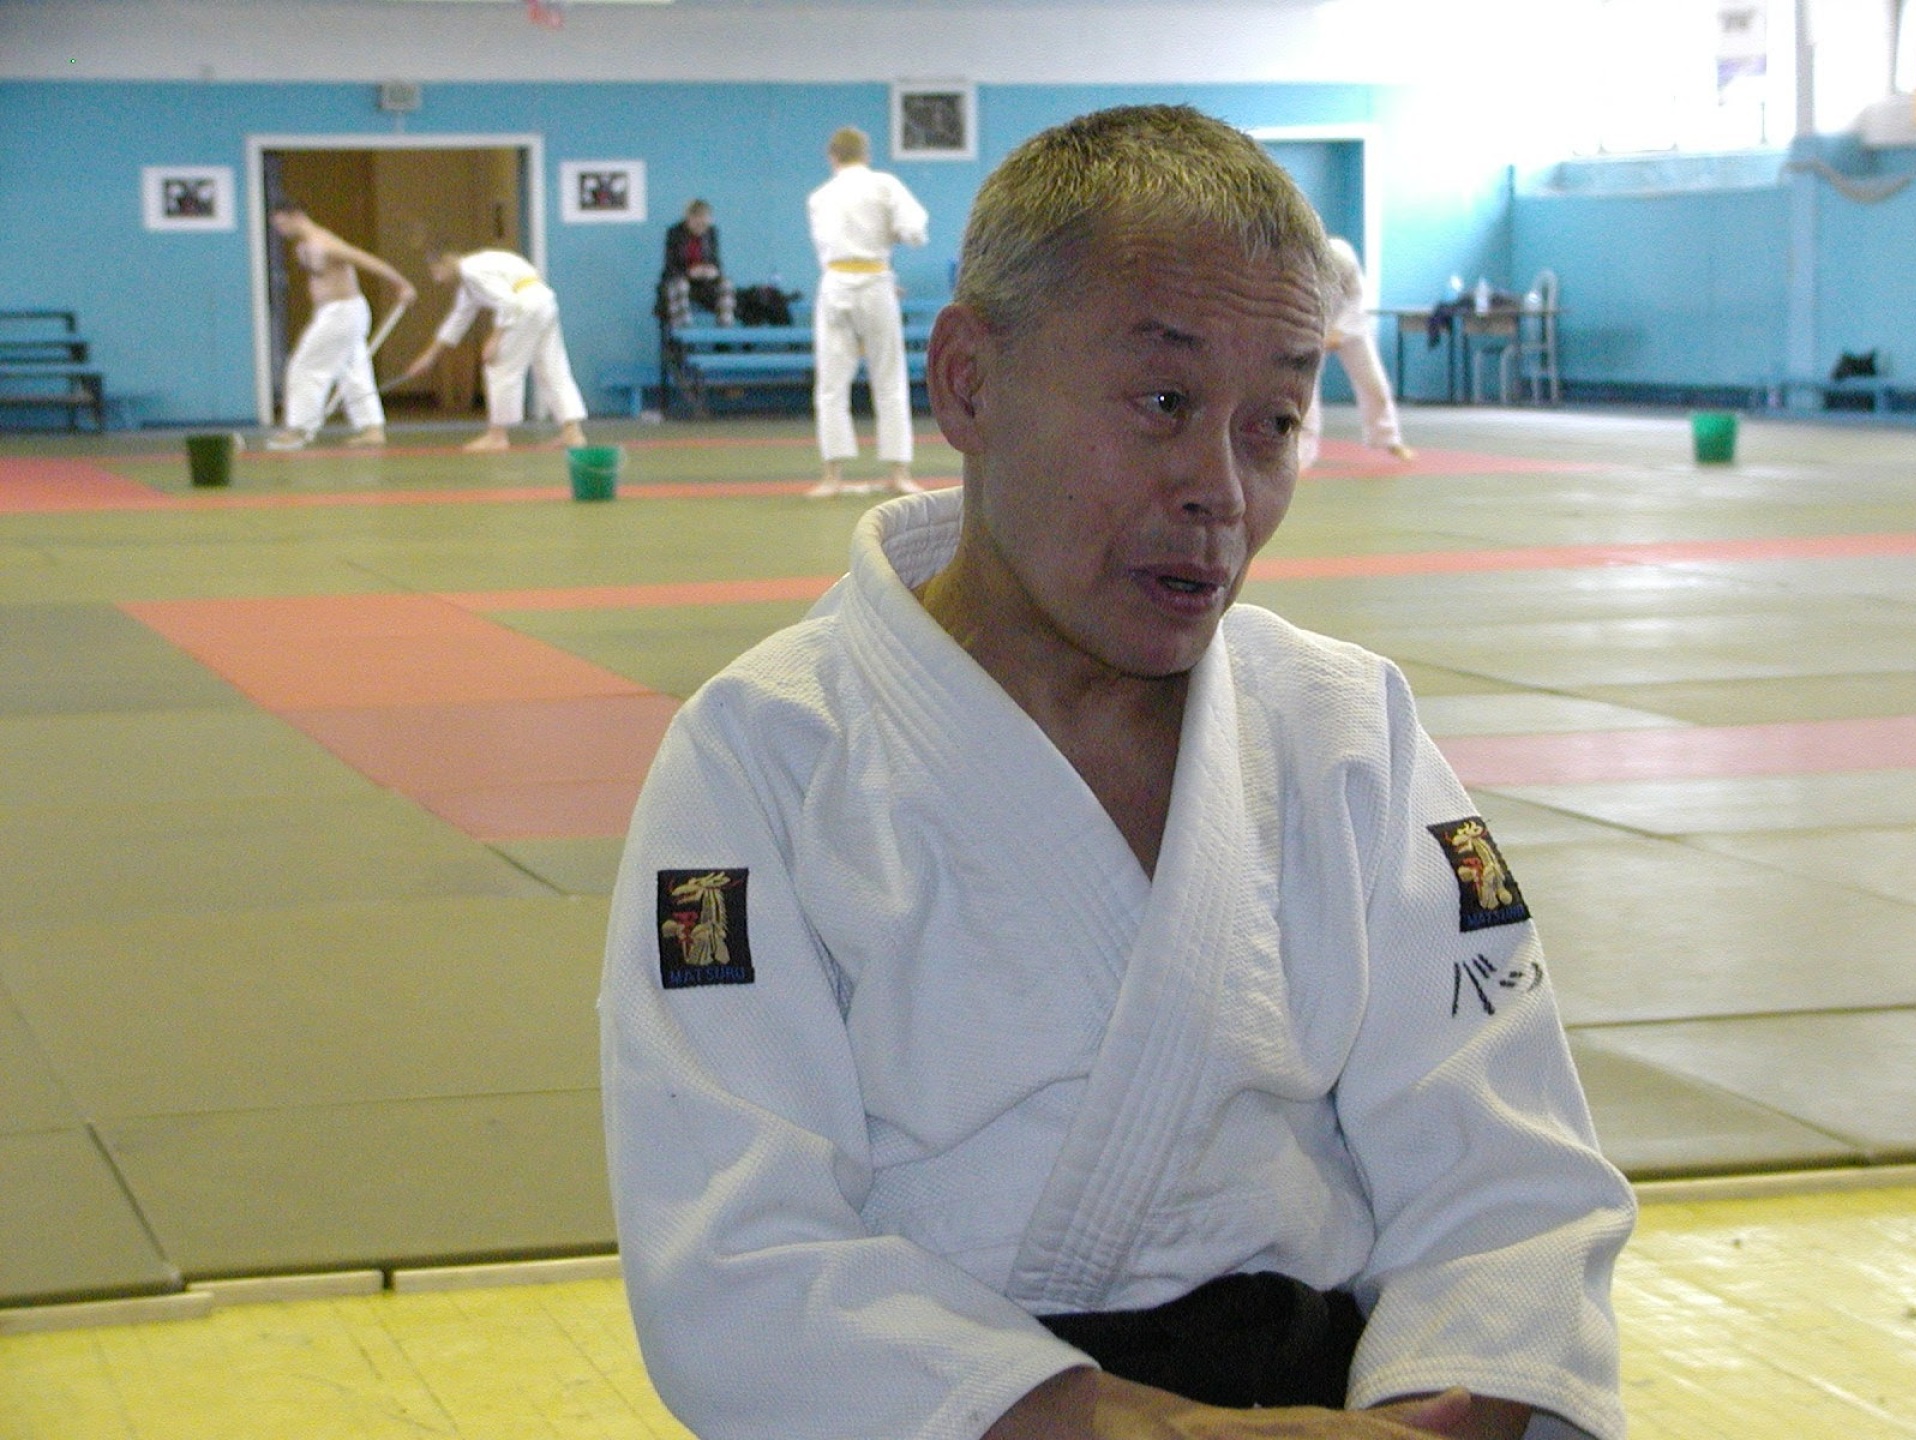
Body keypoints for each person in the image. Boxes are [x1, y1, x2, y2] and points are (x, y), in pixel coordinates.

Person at [601, 105, 1633, 1440]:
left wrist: (1437, 1420)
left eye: (1274, 421)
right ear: (968, 383)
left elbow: (1510, 1185)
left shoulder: (1345, 734)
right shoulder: (762, 761)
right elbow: (739, 1259)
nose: (1221, 491)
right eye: (1163, 402)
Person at [805, 124, 930, 498]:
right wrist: (891, 237)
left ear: (832, 157)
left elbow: (826, 247)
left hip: (836, 284)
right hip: (876, 282)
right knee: (889, 379)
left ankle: (832, 476)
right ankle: (899, 473)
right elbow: (915, 231)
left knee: (831, 384)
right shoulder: (884, 185)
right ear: (867, 155)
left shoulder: (819, 197)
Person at [398, 247, 587, 453]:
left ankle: (497, 436)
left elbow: (508, 301)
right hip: (543, 302)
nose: (438, 279)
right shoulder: (470, 282)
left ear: (448, 260)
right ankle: (572, 432)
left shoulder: (472, 271)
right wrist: (428, 357)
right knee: (552, 367)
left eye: (437, 271)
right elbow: (457, 320)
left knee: (499, 365)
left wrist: (495, 338)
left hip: (524, 304)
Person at [266, 200, 416, 450]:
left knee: (305, 366)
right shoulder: (304, 246)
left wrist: (401, 283)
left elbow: (364, 259)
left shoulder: (323, 243)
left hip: (342, 312)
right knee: (354, 371)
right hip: (333, 312)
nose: (281, 230)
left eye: (282, 224)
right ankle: (372, 429)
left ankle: (299, 429)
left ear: (296, 216)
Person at [1301, 235, 1415, 470]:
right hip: (1314, 323)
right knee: (1306, 388)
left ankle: (1388, 437)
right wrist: (1318, 332)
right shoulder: (1300, 264)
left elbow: (1357, 298)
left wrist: (1340, 331)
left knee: (1374, 382)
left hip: (1352, 325)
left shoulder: (1343, 257)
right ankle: (1302, 451)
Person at [657, 199, 736, 328]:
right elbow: (670, 266)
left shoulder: (712, 233)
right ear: (688, 219)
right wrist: (689, 272)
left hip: (705, 284)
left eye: (704, 223)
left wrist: (713, 271)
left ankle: (725, 327)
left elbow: (716, 262)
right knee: (680, 285)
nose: (701, 227)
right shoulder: (674, 233)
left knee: (726, 284)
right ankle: (683, 329)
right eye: (697, 222)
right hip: (680, 280)